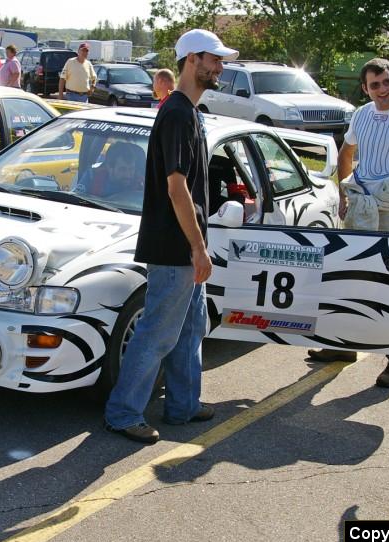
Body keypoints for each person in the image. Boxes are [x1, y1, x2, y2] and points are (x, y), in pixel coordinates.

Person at [104, 29, 238, 444]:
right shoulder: (178, 113)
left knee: (190, 327)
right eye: (215, 59)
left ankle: (183, 405)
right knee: (159, 332)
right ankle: (123, 412)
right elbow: (176, 187)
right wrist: (198, 248)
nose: (220, 67)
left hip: (185, 246)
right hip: (174, 247)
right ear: (192, 59)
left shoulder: (189, 112)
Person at [306, 58, 389, 388]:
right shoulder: (361, 115)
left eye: (387, 81)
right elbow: (345, 153)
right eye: (374, 84)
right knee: (350, 276)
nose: (382, 89)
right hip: (362, 207)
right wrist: (345, 193)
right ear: (365, 88)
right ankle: (343, 345)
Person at [77, 141, 144, 197]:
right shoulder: (92, 178)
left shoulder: (141, 184)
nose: (128, 175)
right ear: (109, 167)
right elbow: (77, 200)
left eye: (131, 169)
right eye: (122, 169)